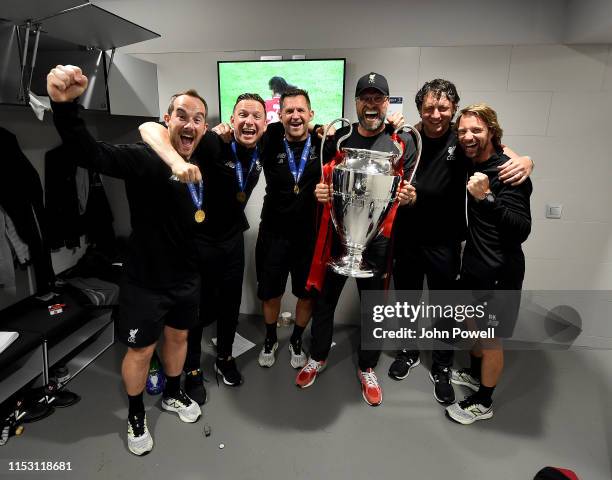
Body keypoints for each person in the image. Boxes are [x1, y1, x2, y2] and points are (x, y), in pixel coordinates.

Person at [47, 65, 204, 456]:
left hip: (185, 278)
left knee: (179, 337)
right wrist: (65, 107)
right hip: (144, 281)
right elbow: (90, 152)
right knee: (140, 351)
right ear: (167, 119)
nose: (190, 124)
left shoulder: (206, 160)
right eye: (181, 115)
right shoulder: (142, 159)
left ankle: (171, 392)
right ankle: (136, 414)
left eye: (198, 119)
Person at [389, 79, 534, 405]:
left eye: (443, 108)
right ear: (420, 110)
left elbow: (499, 152)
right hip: (408, 238)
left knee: (445, 308)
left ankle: (441, 366)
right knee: (407, 302)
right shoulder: (409, 138)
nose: (436, 114)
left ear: (453, 109)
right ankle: (407, 351)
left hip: (447, 243)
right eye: (429, 107)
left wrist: (526, 160)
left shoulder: (464, 138)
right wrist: (403, 197)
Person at [295, 72, 417, 406]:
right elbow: (328, 180)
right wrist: (322, 190)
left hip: (377, 239)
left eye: (378, 98)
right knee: (325, 300)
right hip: (339, 234)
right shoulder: (339, 137)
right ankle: (318, 356)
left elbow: (406, 187)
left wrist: (409, 196)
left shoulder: (400, 141)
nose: (372, 104)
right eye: (366, 98)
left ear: (387, 103)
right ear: (357, 102)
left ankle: (367, 366)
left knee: (373, 308)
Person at [139, 93, 267, 397]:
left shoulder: (266, 143)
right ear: (231, 120)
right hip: (200, 241)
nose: (249, 122)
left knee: (230, 304)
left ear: (265, 123)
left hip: (233, 240)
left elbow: (300, 126)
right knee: (195, 309)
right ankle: (193, 368)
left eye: (256, 116)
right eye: (242, 115)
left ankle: (224, 357)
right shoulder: (211, 142)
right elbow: (150, 130)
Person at [445, 103, 532, 424]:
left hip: (499, 274)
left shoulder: (509, 172)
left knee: (490, 339)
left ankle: (483, 401)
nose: (468, 136)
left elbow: (522, 229)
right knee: (473, 328)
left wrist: (487, 198)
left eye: (476, 130)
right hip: (475, 268)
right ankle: (474, 373)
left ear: (492, 132)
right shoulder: (471, 160)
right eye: (463, 130)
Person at [255, 88, 321, 369]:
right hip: (273, 233)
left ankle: (296, 338)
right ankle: (270, 338)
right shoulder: (269, 140)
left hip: (309, 236)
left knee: (306, 293)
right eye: (289, 111)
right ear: (280, 115)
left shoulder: (324, 142)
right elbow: (244, 133)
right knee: (271, 292)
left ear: (311, 114)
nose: (295, 116)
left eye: (300, 110)